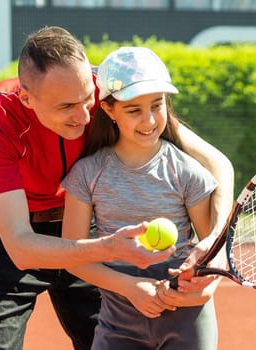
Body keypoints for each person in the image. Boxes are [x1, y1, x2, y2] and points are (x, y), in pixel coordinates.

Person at [0, 26, 234, 350]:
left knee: (101, 338)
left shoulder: (111, 90)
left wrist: (214, 240)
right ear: (26, 98)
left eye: (87, 99)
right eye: (66, 107)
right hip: (17, 233)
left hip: (80, 222)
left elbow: (216, 163)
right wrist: (109, 248)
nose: (83, 116)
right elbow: (20, 247)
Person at [61, 46, 223, 350]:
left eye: (157, 105)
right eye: (134, 110)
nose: (149, 120)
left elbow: (209, 249)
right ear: (108, 109)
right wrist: (132, 287)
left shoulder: (187, 171)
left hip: (187, 321)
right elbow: (75, 257)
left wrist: (198, 284)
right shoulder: (87, 174)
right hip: (118, 325)